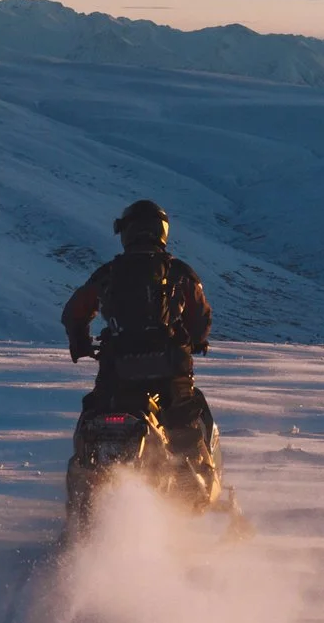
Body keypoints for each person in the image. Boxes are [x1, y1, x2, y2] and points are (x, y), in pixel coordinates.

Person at [61, 198, 218, 472]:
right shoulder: (178, 271)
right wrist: (195, 339)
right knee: (187, 420)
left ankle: (87, 472)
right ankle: (195, 478)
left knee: (94, 415)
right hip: (170, 372)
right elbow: (200, 315)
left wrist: (80, 343)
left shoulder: (108, 274)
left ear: (126, 232)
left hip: (117, 371)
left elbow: (75, 312)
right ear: (162, 232)